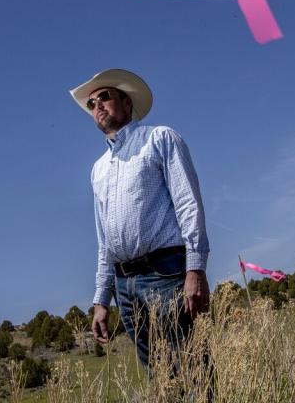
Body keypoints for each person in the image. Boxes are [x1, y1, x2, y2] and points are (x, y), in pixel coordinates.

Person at [69, 68, 211, 370]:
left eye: (103, 97)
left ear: (127, 103)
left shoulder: (159, 138)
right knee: (158, 377)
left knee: (193, 368)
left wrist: (195, 269)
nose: (97, 106)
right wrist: (101, 300)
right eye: (91, 104)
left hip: (165, 275)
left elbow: (188, 204)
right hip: (125, 288)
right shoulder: (98, 169)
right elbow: (104, 239)